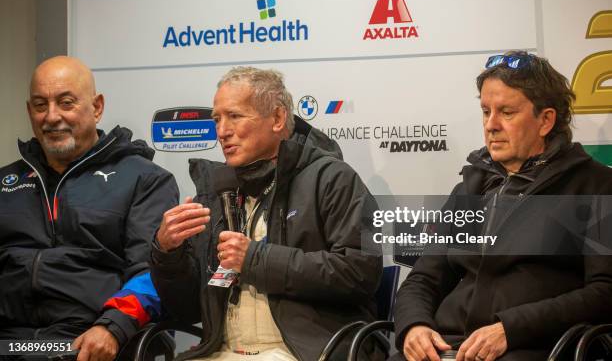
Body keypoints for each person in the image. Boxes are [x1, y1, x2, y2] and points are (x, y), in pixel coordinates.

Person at [151, 67, 382, 361]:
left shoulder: (333, 178)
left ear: (277, 118)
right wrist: (168, 253)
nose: (222, 131)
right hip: (222, 352)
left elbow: (362, 274)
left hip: (307, 352)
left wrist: (255, 259)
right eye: (217, 119)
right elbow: (187, 309)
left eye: (234, 116)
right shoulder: (215, 193)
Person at [393, 51, 612, 361]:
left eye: (507, 112)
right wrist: (414, 327)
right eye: (485, 111)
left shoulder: (596, 186)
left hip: (534, 346)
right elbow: (423, 279)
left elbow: (604, 293)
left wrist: (510, 329)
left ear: (545, 120)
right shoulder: (470, 188)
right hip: (451, 345)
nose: (491, 125)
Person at [0, 56, 179, 361]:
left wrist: (113, 327)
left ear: (96, 107)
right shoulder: (6, 181)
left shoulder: (144, 180)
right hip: (9, 340)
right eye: (41, 105)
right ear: (29, 111)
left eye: (66, 103)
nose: (52, 116)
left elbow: (154, 272)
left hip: (86, 340)